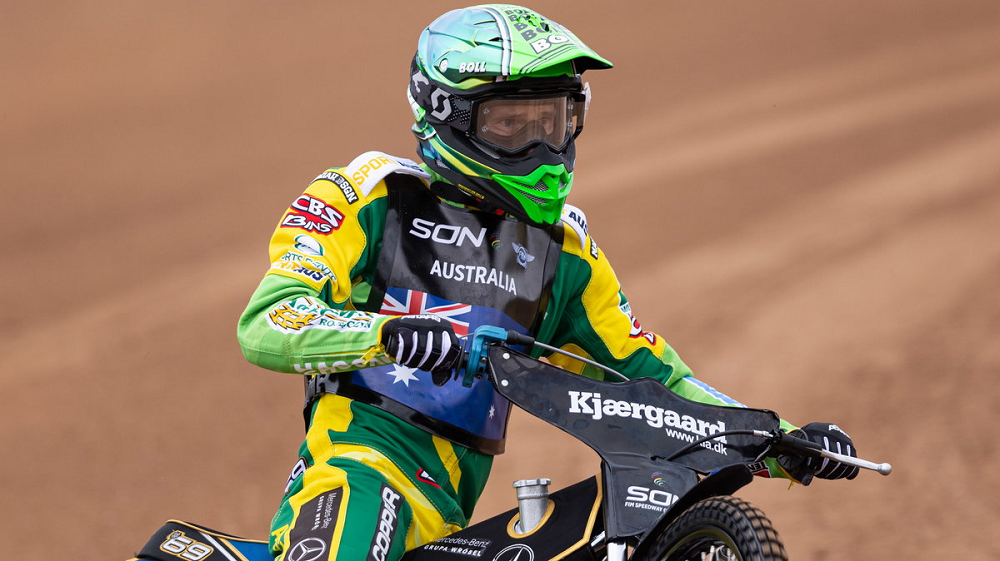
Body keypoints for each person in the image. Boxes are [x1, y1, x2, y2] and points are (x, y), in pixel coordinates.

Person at [237, 5, 860, 561]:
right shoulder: (367, 197)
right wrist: (389, 334)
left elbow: (656, 382)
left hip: (449, 513)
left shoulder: (565, 254)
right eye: (512, 125)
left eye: (553, 121)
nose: (541, 148)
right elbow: (269, 320)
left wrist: (779, 440)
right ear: (447, 115)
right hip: (356, 468)